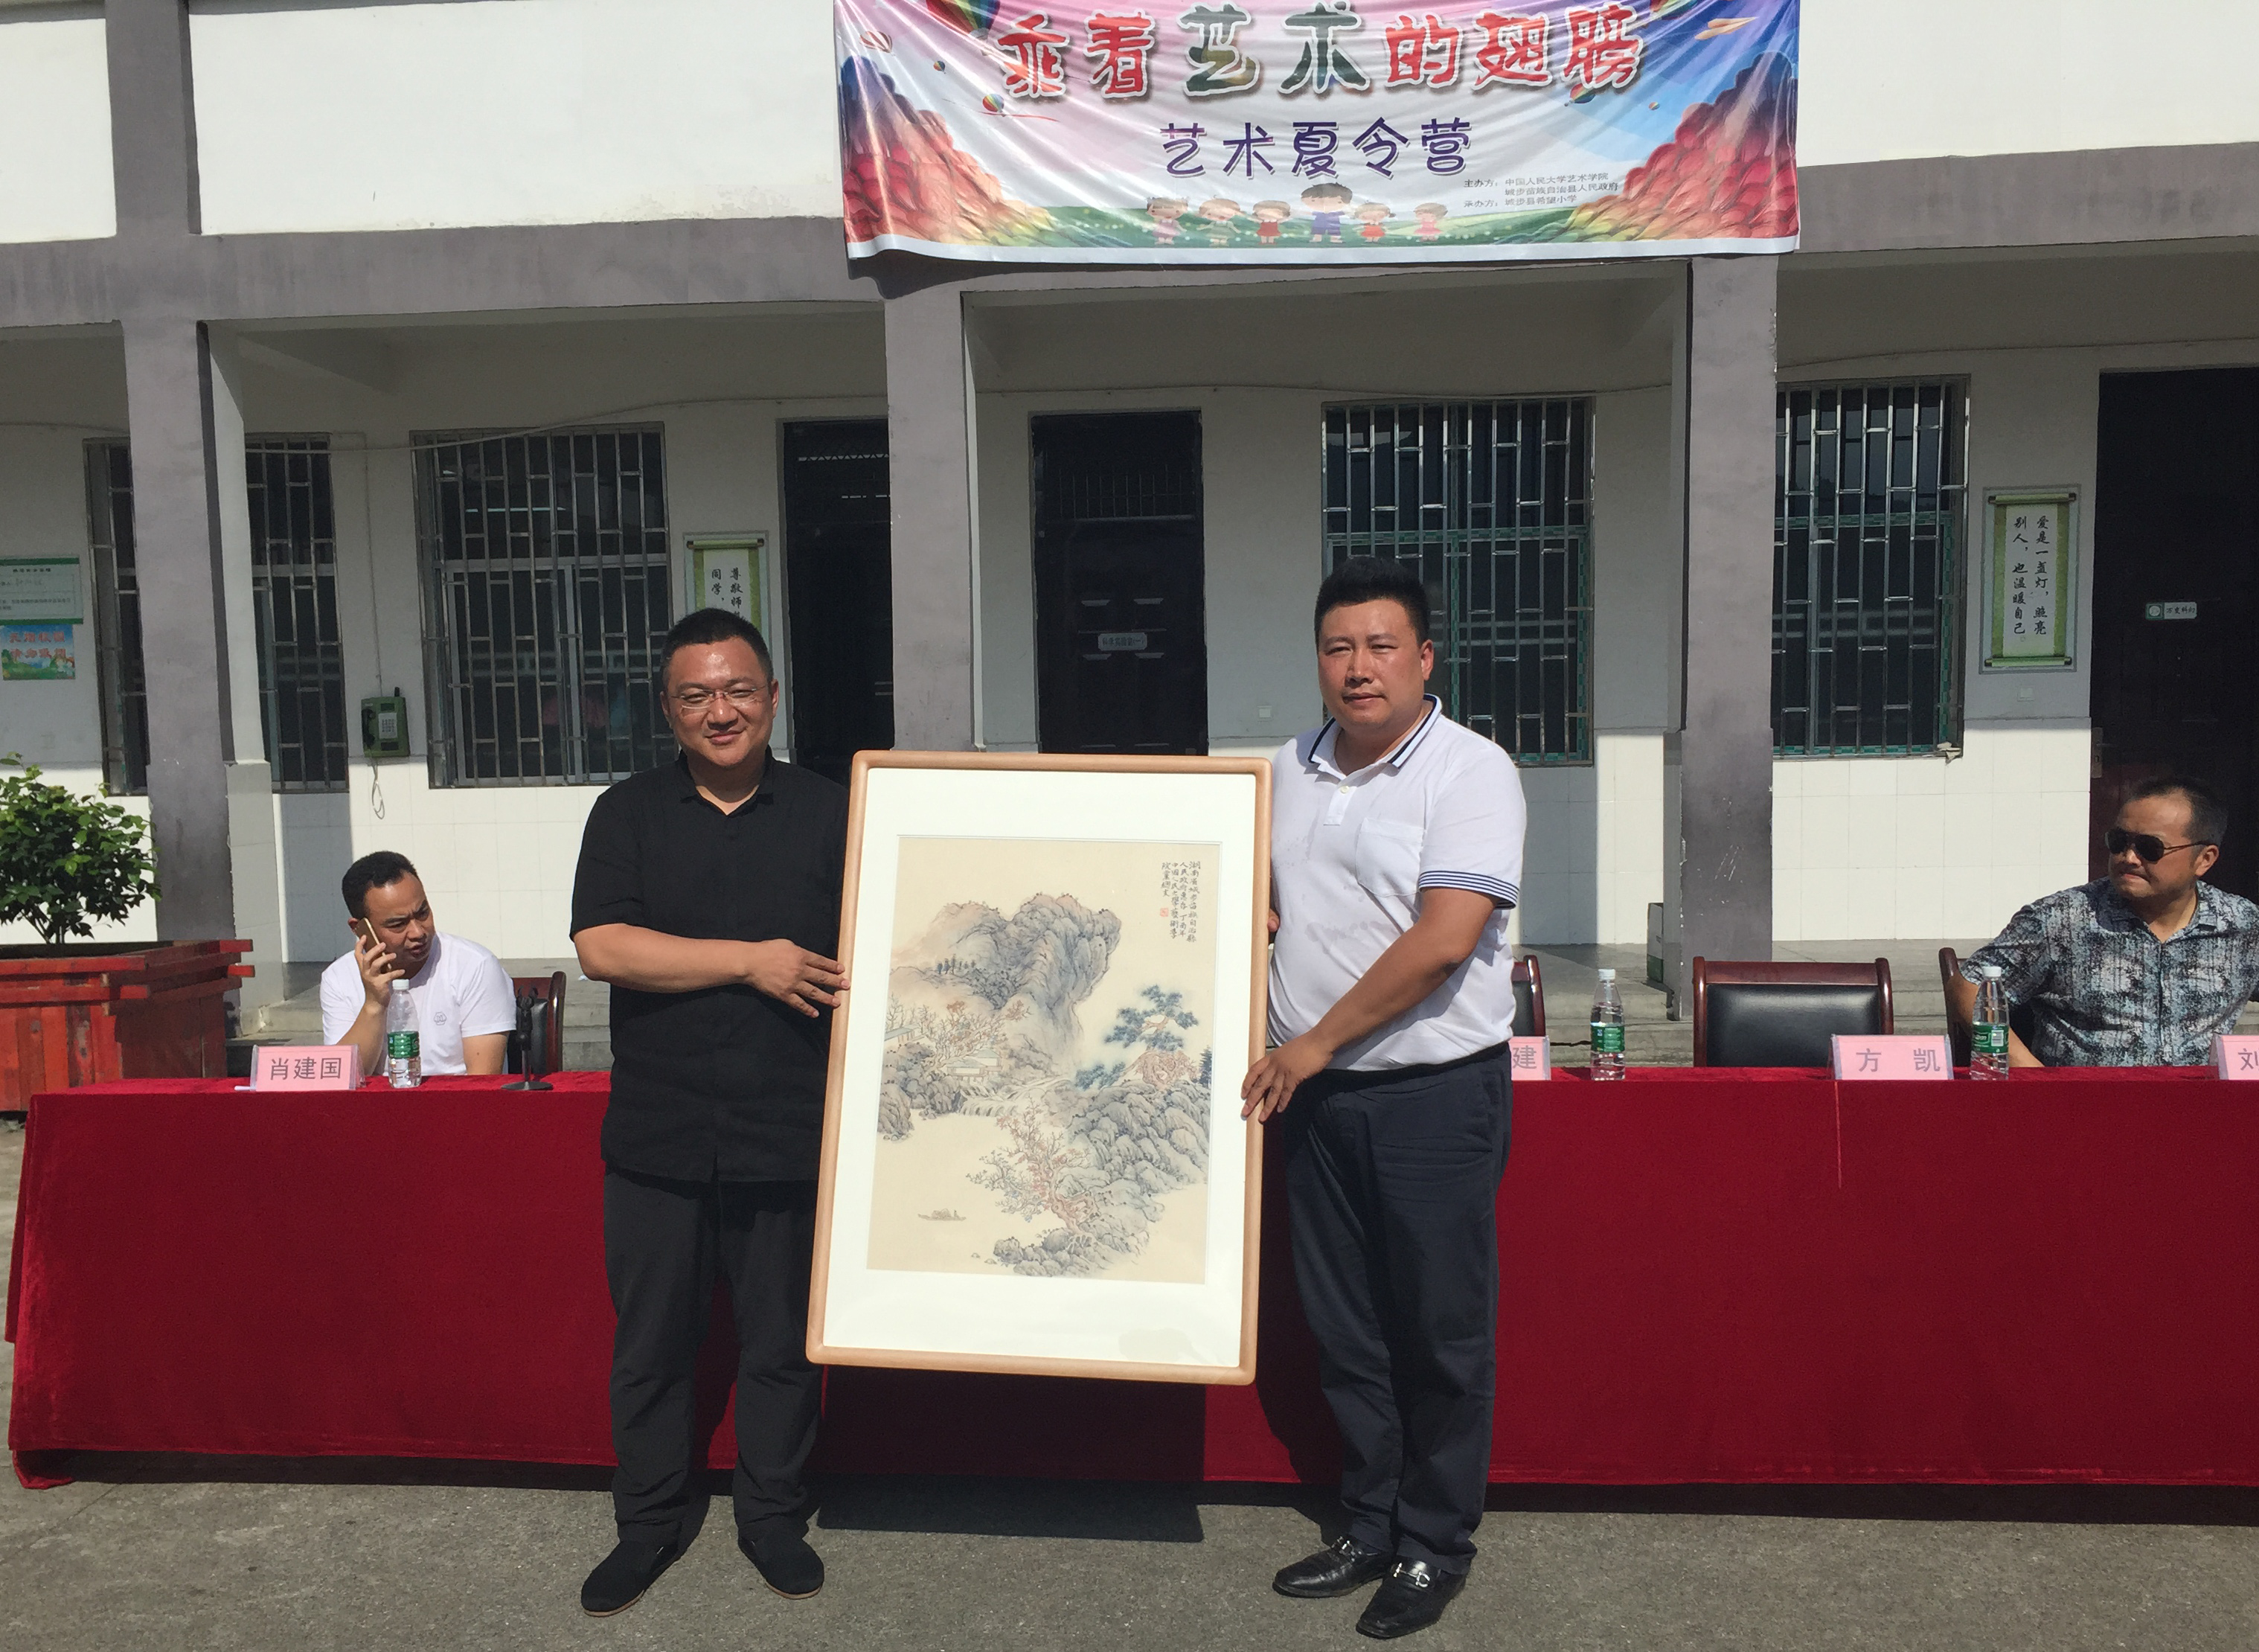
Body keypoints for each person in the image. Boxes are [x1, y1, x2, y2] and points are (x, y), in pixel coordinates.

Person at [1242, 556, 1527, 1640]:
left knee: (1439, 1334)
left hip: (1431, 1098)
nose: (1358, 668)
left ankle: (1433, 1544)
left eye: (1380, 647)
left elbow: (1444, 940)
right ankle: (1368, 1522)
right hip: (1315, 1099)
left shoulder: (1470, 771)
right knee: (1347, 1328)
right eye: (1337, 648)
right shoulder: (1285, 768)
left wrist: (1311, 1044)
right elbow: (1259, 902)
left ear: (1424, 658)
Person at [568, 607, 848, 1618]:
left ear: (771, 697)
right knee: (651, 1346)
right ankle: (648, 1523)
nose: (719, 711)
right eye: (696, 695)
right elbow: (602, 945)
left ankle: (772, 1517)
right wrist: (748, 961)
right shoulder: (627, 814)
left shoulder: (835, 813)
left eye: (736, 690)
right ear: (669, 710)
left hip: (790, 1128)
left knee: (781, 1345)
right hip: (661, 1133)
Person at [1949, 775, 2259, 1066]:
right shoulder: (2061, 919)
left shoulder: (2243, 925)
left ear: (2204, 859)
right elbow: (1969, 986)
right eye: (2119, 842)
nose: (2129, 857)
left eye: (2149, 848)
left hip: (2203, 1101)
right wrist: (2031, 1074)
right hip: (2084, 1100)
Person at [319, 851, 516, 1078]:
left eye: (423, 913)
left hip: (454, 1098)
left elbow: (483, 1082)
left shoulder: (474, 966)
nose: (418, 932)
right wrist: (374, 1005)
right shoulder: (339, 979)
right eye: (398, 924)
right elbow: (343, 1080)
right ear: (360, 929)